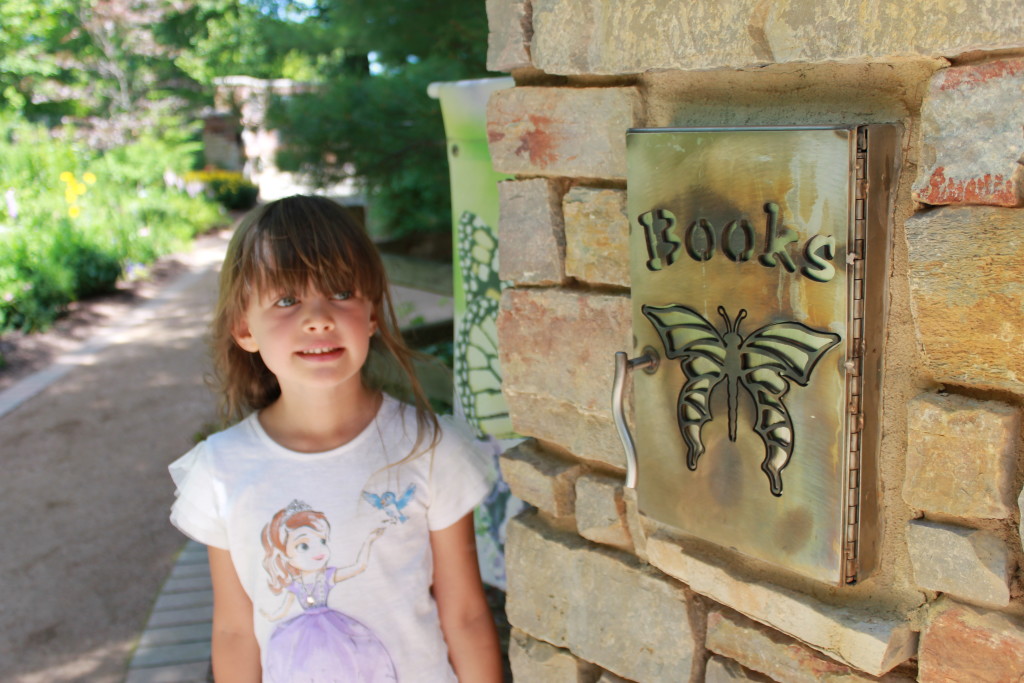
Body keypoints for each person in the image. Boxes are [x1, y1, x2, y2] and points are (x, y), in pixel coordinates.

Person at [168, 195, 503, 682]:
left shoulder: (429, 449)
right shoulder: (222, 471)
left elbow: (467, 615)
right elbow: (235, 633)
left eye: (341, 292)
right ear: (244, 327)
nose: (318, 317)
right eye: (287, 300)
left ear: (371, 313)